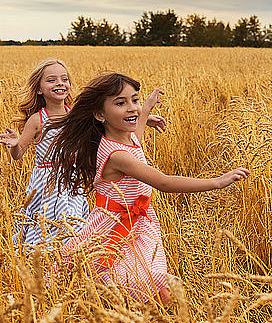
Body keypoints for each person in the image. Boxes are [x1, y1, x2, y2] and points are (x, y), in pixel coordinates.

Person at [47, 72, 250, 304]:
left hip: (137, 222)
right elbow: (163, 182)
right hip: (117, 223)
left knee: (134, 281)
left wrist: (146, 110)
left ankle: (135, 321)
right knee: (135, 281)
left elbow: (137, 140)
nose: (132, 107)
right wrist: (217, 182)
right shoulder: (118, 155)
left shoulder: (125, 139)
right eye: (121, 103)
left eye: (135, 99)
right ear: (100, 114)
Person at [0, 60, 167, 249]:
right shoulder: (37, 119)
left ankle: (70, 258)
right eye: (51, 80)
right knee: (45, 223)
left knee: (74, 224)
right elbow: (18, 153)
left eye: (64, 79)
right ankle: (43, 258)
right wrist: (14, 144)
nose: (60, 83)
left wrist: (143, 117)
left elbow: (109, 122)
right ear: (39, 89)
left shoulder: (75, 116)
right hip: (47, 183)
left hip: (72, 179)